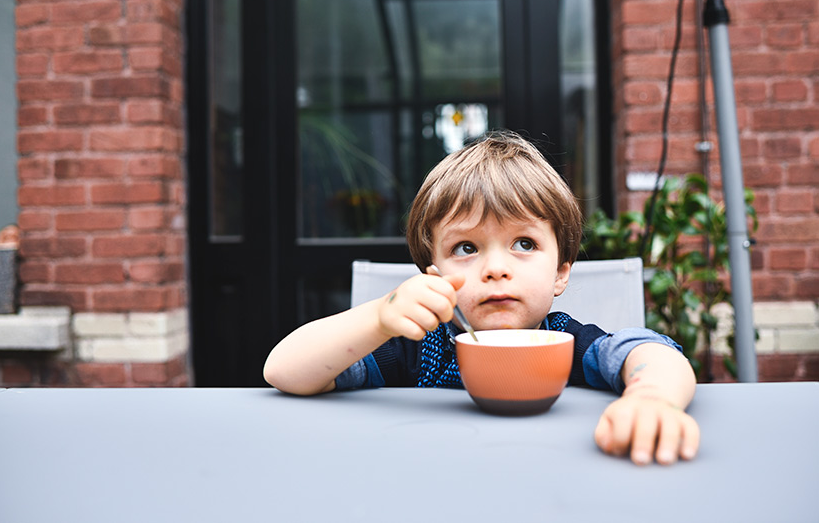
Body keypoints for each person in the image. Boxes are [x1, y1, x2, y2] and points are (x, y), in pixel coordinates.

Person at [264, 130, 699, 466]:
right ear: (434, 276)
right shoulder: (414, 349)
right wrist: (379, 317)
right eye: (466, 248)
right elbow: (284, 370)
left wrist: (652, 399)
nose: (495, 268)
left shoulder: (564, 343)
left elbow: (654, 354)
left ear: (560, 273)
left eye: (524, 244)